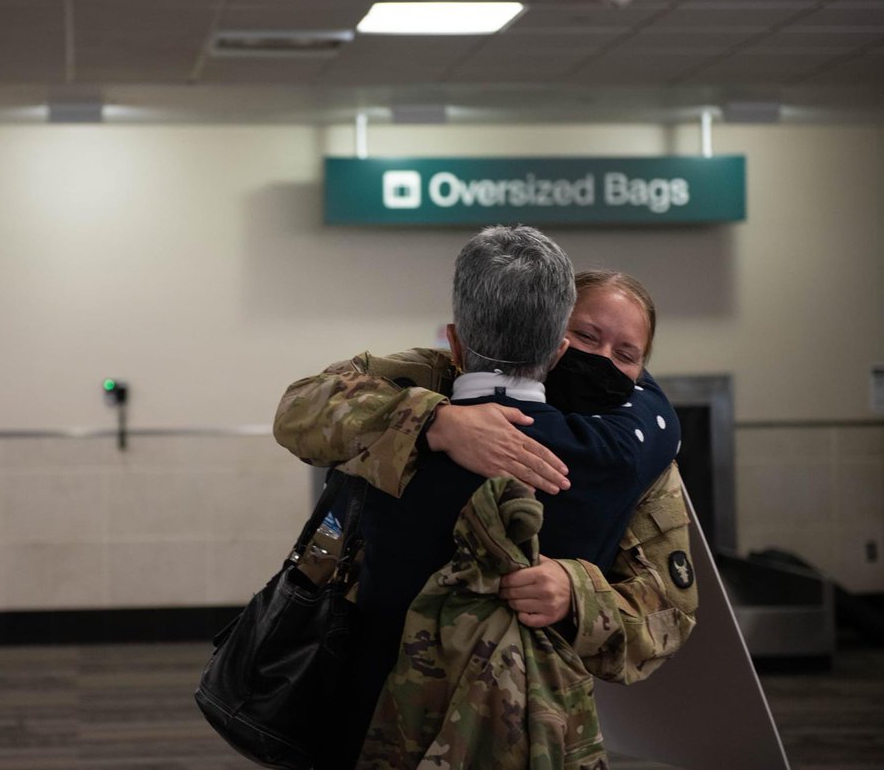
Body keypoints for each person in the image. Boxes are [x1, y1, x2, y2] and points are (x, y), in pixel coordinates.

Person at [274, 231, 697, 767]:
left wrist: (577, 592)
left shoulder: (638, 461)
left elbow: (668, 614)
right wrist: (433, 420)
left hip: (525, 722)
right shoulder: (437, 380)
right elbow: (303, 406)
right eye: (586, 337)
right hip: (375, 697)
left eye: (627, 354)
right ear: (554, 336)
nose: (602, 361)